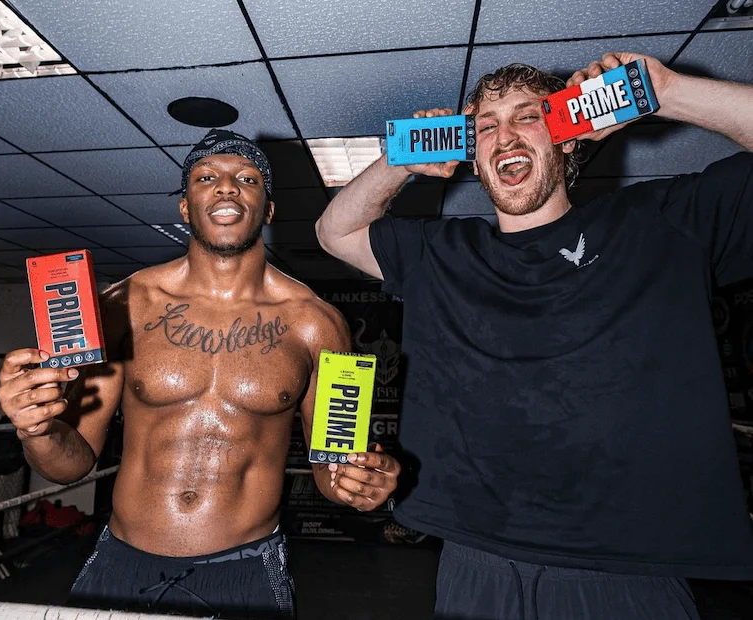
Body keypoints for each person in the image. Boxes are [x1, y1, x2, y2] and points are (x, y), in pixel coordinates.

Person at [315, 52, 753, 619]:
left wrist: (665, 91)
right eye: (486, 126)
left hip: (624, 569)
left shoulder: (658, 221)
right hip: (474, 559)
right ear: (474, 157)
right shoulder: (441, 253)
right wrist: (399, 161)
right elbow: (334, 231)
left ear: (568, 137)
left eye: (528, 117)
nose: (504, 136)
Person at [0, 129, 401, 619]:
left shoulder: (321, 324)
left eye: (247, 179)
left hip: (246, 570)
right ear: (186, 208)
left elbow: (334, 465)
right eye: (206, 178)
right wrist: (37, 431)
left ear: (269, 209)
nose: (227, 186)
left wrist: (358, 483)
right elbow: (71, 464)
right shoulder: (122, 306)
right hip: (124, 561)